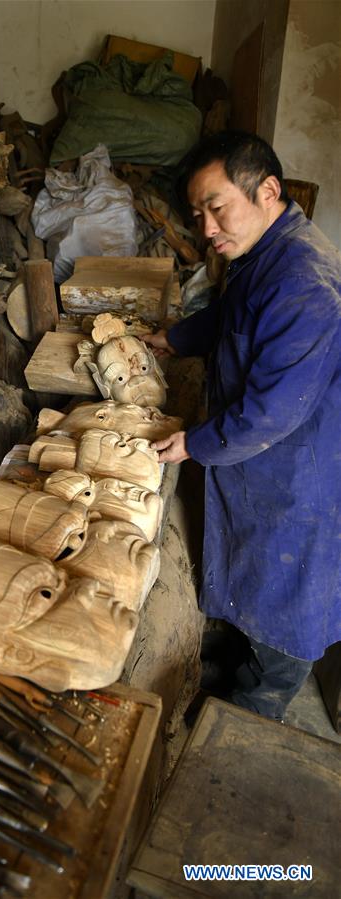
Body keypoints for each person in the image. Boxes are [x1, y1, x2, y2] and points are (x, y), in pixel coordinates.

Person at [145, 131, 341, 721]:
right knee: (254, 583)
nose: (207, 228)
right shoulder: (264, 253)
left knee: (285, 608)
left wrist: (196, 442)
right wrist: (174, 338)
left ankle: (252, 715)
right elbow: (230, 316)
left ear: (267, 191)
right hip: (267, 460)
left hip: (298, 473)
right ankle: (235, 661)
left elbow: (273, 411)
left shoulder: (303, 281)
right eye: (198, 214)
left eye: (216, 207)